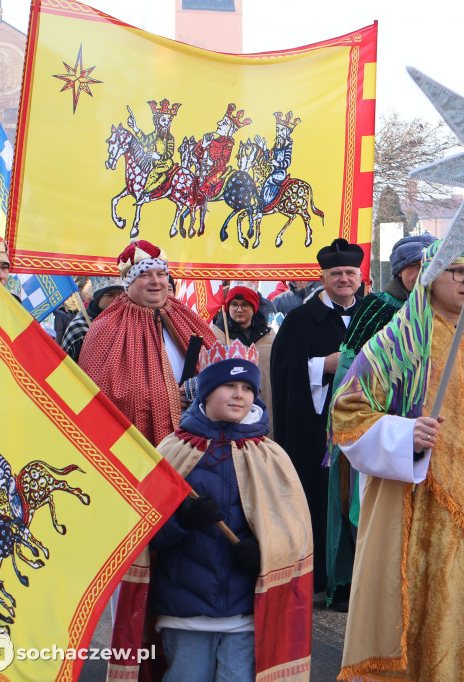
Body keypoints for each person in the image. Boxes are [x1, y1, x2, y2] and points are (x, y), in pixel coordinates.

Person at [331, 241, 464, 680]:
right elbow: (348, 413)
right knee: (422, 612)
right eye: (456, 272)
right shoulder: (396, 342)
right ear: (429, 276)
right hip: (420, 506)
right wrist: (405, 434)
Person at [112, 340, 314, 681]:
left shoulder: (271, 455)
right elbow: (141, 535)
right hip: (183, 609)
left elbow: (294, 532)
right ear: (205, 392)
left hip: (245, 611)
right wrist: (182, 522)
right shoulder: (173, 451)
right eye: (228, 385)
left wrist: (264, 552)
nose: (239, 395)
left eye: (247, 388)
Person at [324, 232, 436, 611]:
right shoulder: (377, 308)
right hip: (383, 424)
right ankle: (373, 588)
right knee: (373, 506)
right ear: (400, 271)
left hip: (432, 429)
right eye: (414, 267)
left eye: (429, 266)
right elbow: (351, 371)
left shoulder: (445, 310)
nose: (422, 274)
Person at [271, 237, 364, 595]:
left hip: (363, 427)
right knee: (319, 499)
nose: (344, 278)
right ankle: (321, 576)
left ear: (360, 276)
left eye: (350, 272)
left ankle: (357, 577)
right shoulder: (299, 320)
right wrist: (322, 366)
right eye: (336, 273)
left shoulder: (372, 314)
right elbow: (281, 372)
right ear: (322, 277)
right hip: (314, 431)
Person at [79, 240, 217, 446]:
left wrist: (198, 387)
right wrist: (166, 398)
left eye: (160, 274)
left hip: (193, 441)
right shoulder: (105, 327)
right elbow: (99, 398)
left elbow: (219, 368)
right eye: (144, 275)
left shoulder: (187, 316)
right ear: (129, 282)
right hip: (135, 448)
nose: (156, 281)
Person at [212, 282, 276, 437]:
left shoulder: (269, 336)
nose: (239, 309)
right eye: (234, 304)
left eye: (244, 305)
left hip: (265, 403)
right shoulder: (217, 335)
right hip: (231, 406)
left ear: (253, 307)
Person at [60, 276, 126, 362]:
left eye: (121, 294)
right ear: (98, 297)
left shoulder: (128, 322)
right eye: (110, 294)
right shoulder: (79, 327)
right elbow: (66, 367)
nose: (117, 299)